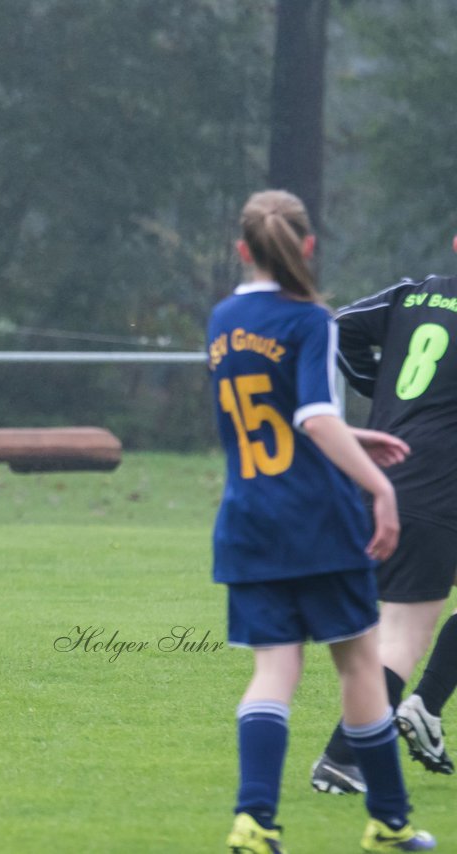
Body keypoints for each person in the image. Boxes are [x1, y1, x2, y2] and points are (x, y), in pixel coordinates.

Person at [208, 190, 433, 852]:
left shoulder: (221, 319)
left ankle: (253, 822)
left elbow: (271, 417)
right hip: (316, 521)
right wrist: (378, 487)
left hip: (247, 521)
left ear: (243, 251)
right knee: (360, 664)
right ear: (307, 247)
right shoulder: (309, 318)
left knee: (274, 671)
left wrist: (348, 439)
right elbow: (311, 415)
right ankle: (390, 824)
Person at [311, 235, 457, 791]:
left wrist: (388, 396)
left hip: (388, 467)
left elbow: (338, 327)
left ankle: (426, 704)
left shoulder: (412, 295)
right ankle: (341, 760)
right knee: (401, 634)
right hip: (436, 482)